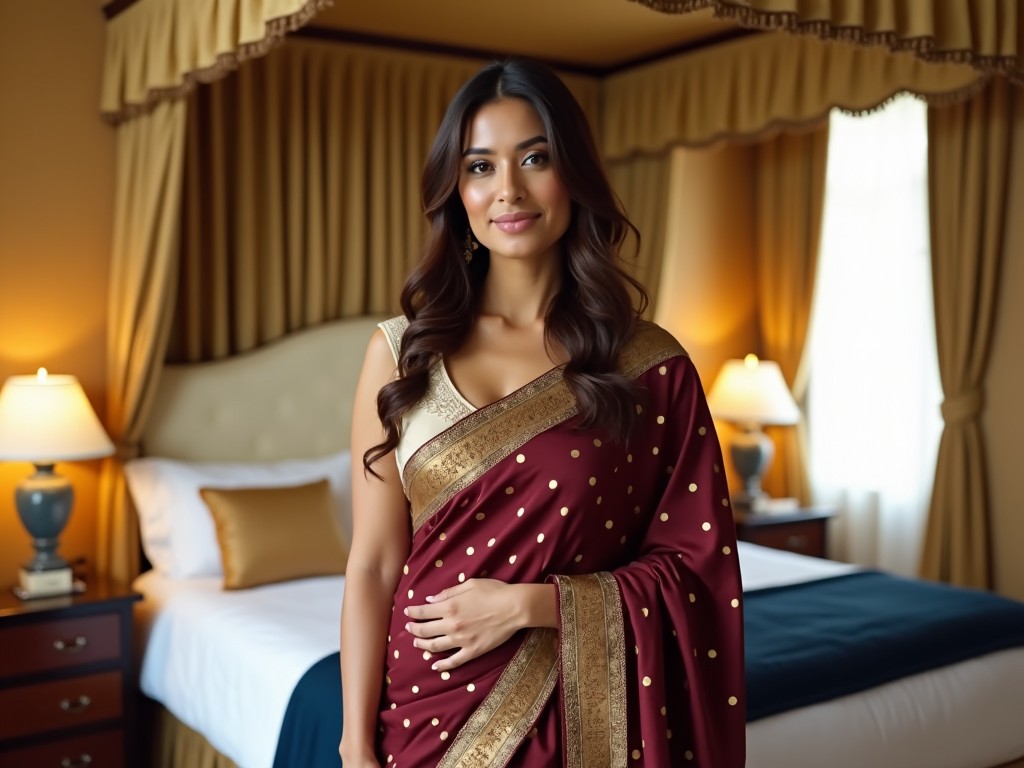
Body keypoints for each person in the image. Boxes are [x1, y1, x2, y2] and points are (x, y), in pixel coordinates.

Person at [339, 58, 745, 767]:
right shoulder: (401, 353)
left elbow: (696, 565)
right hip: (425, 706)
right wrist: (353, 743)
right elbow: (373, 565)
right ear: (455, 190)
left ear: (574, 175)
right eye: (480, 166)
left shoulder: (646, 365)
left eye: (535, 158)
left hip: (582, 708)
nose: (509, 191)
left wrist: (533, 605)